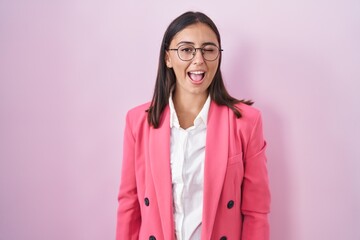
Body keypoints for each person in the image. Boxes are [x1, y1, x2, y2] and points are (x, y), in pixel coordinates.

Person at [116, 11, 270, 240]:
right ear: (168, 57)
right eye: (187, 50)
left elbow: (256, 211)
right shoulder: (138, 122)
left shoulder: (246, 122)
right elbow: (129, 204)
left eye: (208, 50)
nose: (199, 60)